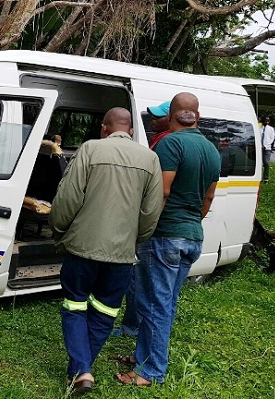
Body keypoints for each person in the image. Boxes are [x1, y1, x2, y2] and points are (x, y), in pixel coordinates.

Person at [50, 107, 163, 396]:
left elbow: (68, 197)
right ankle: (81, 368)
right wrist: (132, 241)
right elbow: (151, 212)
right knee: (104, 312)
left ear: (104, 128)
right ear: (132, 131)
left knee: (75, 306)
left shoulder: (90, 150)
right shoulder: (150, 158)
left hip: (82, 249)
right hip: (122, 256)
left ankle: (82, 370)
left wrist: (59, 229)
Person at [114, 92, 221, 387]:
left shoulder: (171, 143)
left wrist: (145, 229)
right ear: (196, 115)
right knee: (165, 303)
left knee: (154, 304)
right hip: (191, 238)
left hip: (165, 237)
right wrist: (189, 224)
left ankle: (151, 372)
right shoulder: (212, 149)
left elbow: (161, 192)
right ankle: (142, 356)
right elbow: (208, 197)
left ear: (172, 115)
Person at [112, 100, 172, 338]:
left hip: (155, 223)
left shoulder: (166, 144)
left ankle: (134, 328)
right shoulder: (158, 141)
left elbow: (160, 190)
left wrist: (145, 221)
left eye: (158, 116)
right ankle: (135, 326)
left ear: (173, 117)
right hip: (161, 223)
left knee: (140, 280)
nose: (152, 119)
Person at [261, 116, 275, 183]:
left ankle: (266, 178)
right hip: (259, 148)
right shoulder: (259, 128)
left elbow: (272, 139)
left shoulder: (271, 129)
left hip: (267, 149)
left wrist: (265, 146)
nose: (266, 122)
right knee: (259, 164)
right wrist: (260, 146)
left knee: (266, 163)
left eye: (267, 121)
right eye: (265, 120)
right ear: (262, 121)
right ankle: (258, 178)